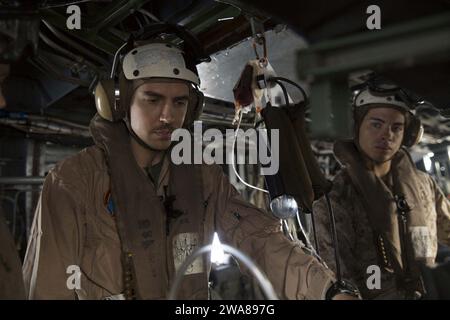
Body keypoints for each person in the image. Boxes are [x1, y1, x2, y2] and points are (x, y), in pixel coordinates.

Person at [22, 26, 356, 300]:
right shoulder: (73, 182)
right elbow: (47, 289)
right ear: (118, 102)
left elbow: (259, 239)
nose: (167, 115)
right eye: (152, 100)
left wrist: (328, 291)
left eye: (179, 102)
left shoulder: (202, 177)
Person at [313, 79, 450, 299]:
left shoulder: (425, 186)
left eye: (397, 127)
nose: (387, 135)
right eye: (376, 124)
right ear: (356, 128)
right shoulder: (335, 198)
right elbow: (336, 276)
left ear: (408, 134)